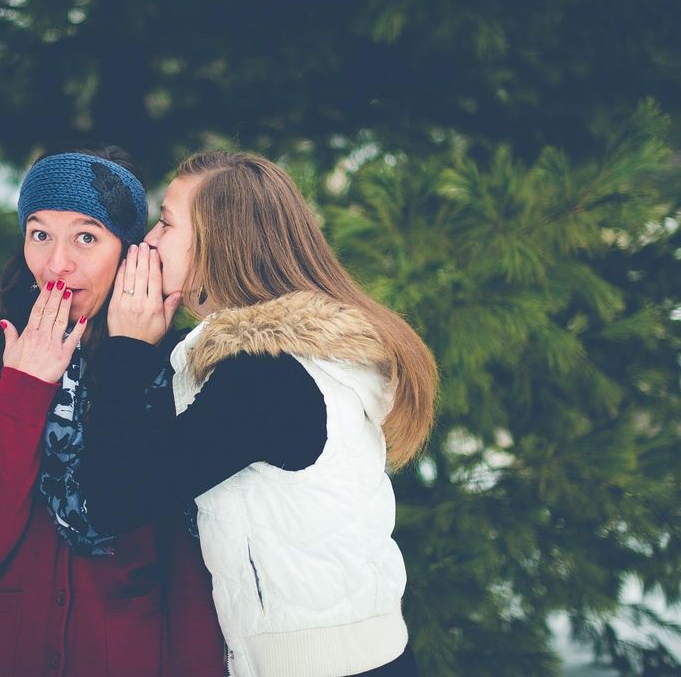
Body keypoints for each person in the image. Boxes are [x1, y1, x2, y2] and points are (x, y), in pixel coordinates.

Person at [71, 150, 439, 677]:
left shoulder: (264, 379)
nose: (149, 241)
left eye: (168, 223)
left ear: (219, 241)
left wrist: (127, 348)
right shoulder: (303, 360)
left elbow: (111, 501)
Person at [0, 148, 224, 677]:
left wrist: (130, 361)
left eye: (86, 237)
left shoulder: (171, 366)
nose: (56, 264)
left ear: (129, 253)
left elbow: (187, 568)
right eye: (40, 234)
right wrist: (24, 388)